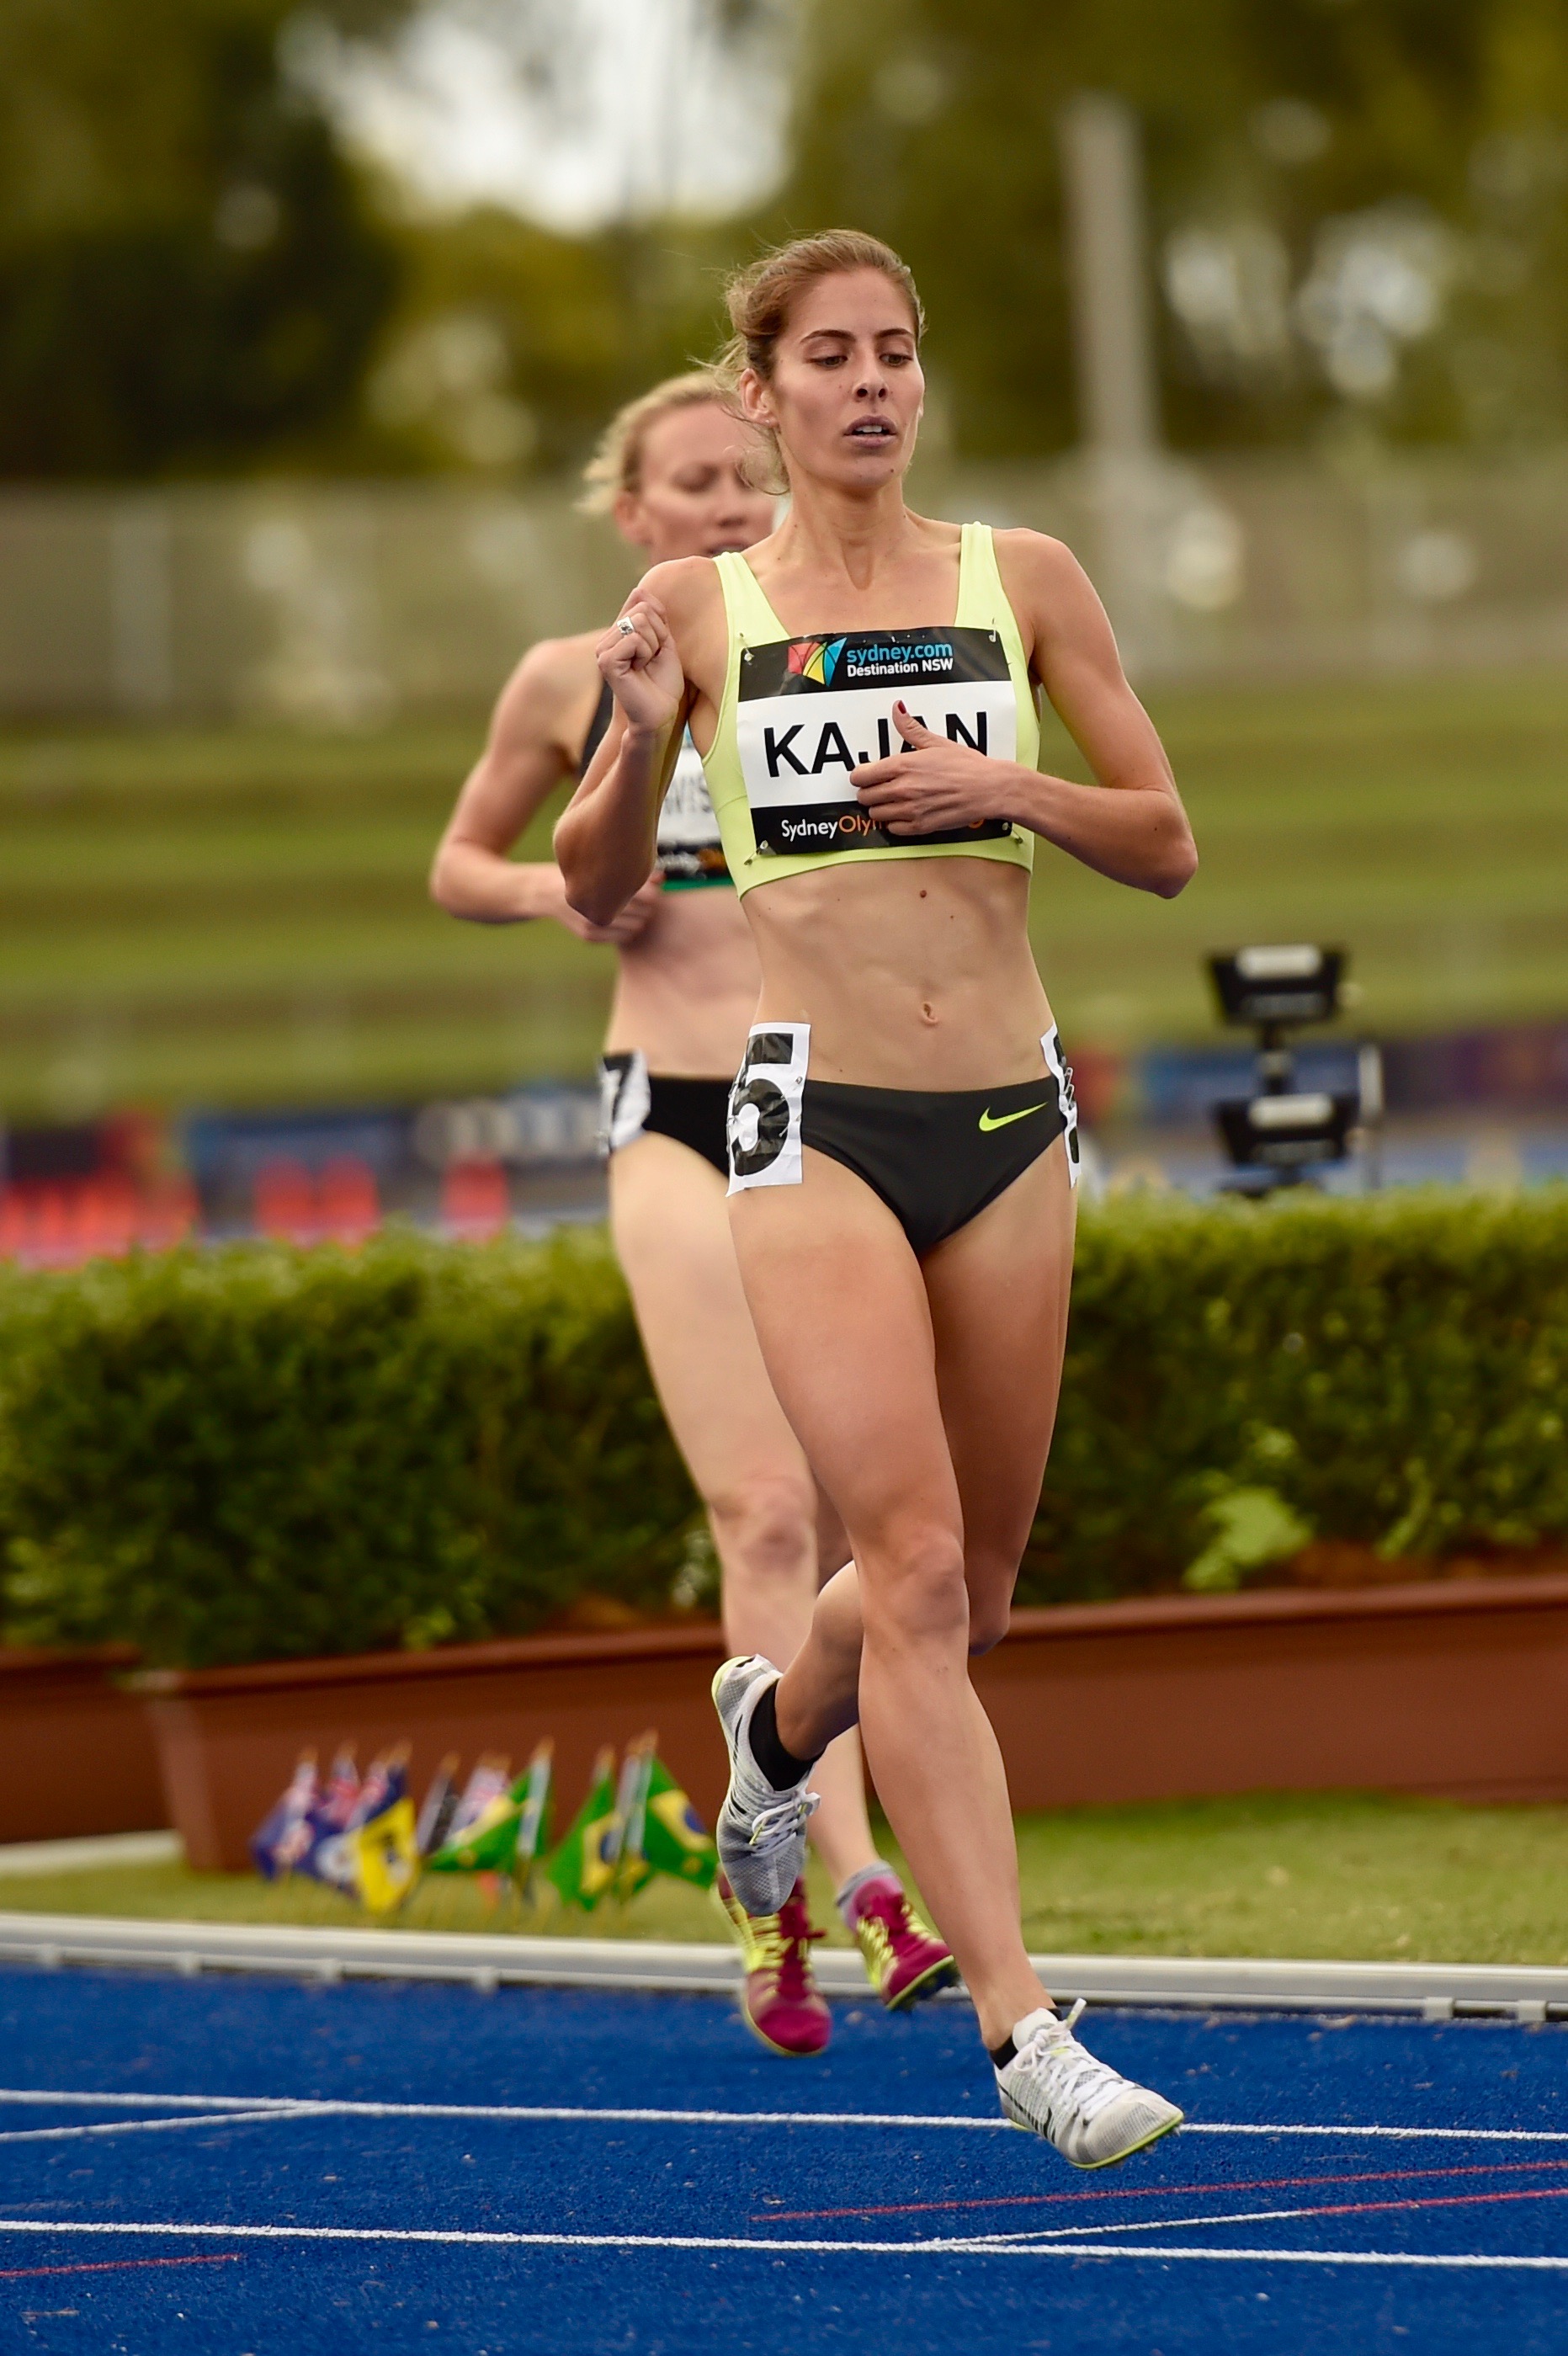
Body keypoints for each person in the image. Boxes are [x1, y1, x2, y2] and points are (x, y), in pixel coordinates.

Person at [555, 232, 1199, 2168]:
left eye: (896, 353)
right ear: (757, 388)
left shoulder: (1022, 578)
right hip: (805, 1114)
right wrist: (634, 717)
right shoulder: (698, 599)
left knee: (972, 1592)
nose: (869, 384)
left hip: (1006, 1112)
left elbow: (1163, 840)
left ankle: (766, 1739)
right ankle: (1026, 2028)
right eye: (827, 355)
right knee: (905, 1568)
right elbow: (595, 878)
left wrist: (994, 786)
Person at [430, 372, 954, 2057]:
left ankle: (763, 1852)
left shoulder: (826, 654)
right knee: (760, 1508)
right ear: (631, 511)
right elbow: (459, 859)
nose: (731, 503)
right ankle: (850, 1877)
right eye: (696, 482)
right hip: (667, 1110)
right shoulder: (565, 678)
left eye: (748, 476)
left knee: (894, 1530)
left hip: (833, 1107)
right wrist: (556, 896)